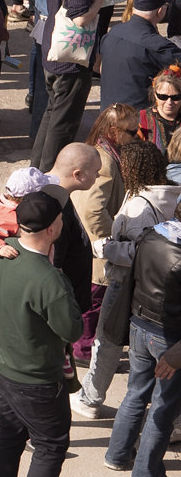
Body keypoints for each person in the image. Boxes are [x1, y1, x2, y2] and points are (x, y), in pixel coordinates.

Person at [0, 192, 85, 477]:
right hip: (35, 377)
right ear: (55, 227)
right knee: (51, 445)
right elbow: (71, 330)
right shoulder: (49, 281)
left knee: (9, 433)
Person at [77, 139, 178, 418]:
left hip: (125, 281)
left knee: (107, 341)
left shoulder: (139, 207)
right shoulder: (170, 194)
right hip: (157, 287)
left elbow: (138, 251)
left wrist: (104, 248)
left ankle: (89, 399)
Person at [102, 171, 181, 477]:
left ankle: (118, 454)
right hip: (169, 338)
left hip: (139, 325)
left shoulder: (153, 235)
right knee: (164, 406)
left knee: (135, 393)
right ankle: (146, 476)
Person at [30, 0, 100, 173]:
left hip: (52, 51)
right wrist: (99, 2)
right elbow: (80, 18)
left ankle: (36, 169)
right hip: (71, 61)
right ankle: (48, 177)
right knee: (62, 125)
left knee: (51, 115)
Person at [98, 0, 181, 109]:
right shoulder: (156, 44)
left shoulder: (112, 33)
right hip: (139, 121)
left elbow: (100, 68)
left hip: (108, 115)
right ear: (160, 11)